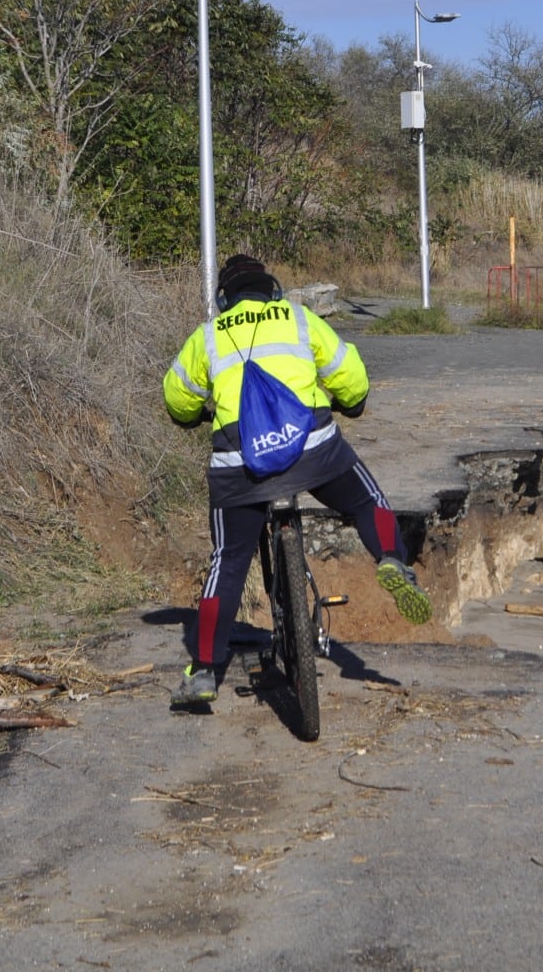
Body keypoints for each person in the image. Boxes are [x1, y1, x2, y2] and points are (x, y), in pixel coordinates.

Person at [162, 255, 430, 705]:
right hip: (314, 454)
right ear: (272, 290)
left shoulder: (207, 338)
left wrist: (198, 411)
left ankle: (205, 670)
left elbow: (177, 401)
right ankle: (390, 557)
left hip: (240, 471)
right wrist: (351, 400)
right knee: (367, 501)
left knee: (227, 561)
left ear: (224, 299)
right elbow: (351, 376)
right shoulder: (299, 320)